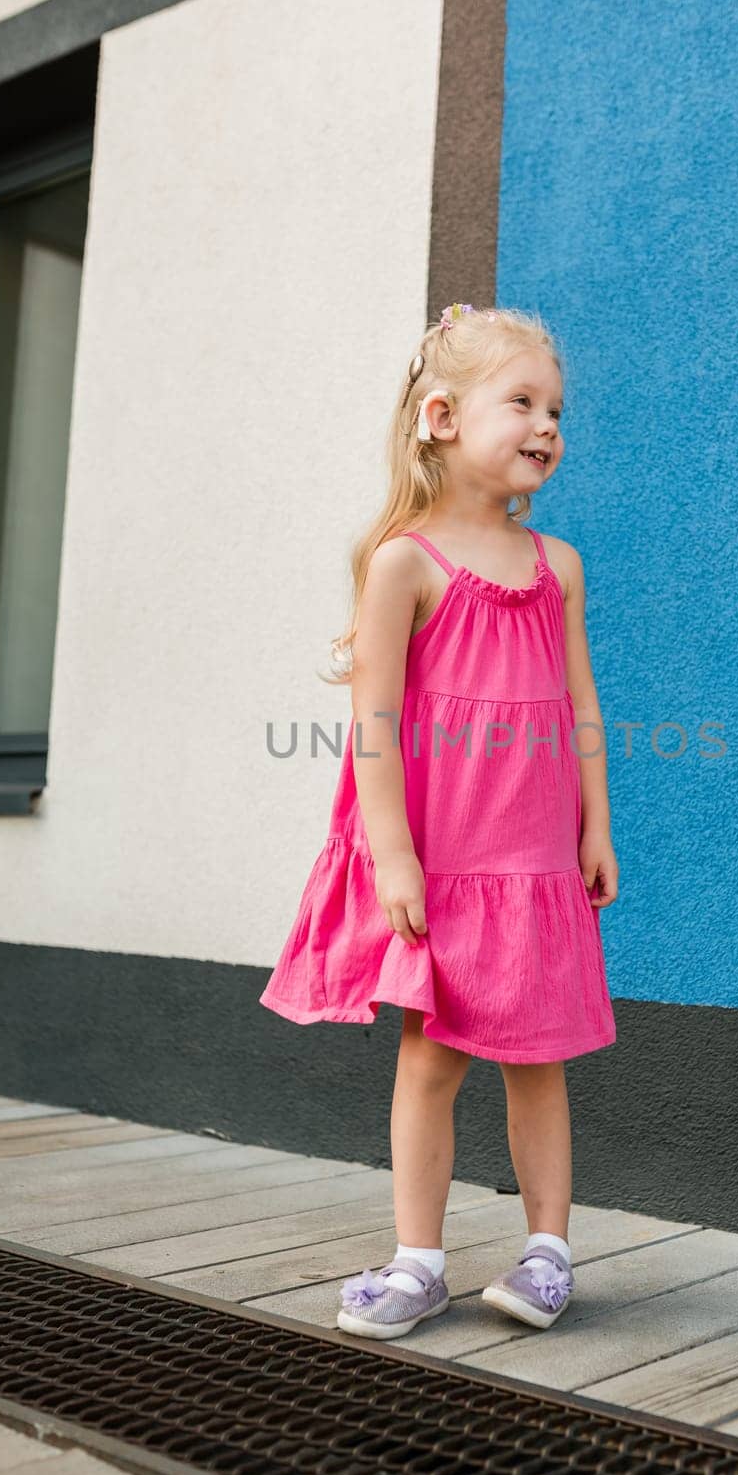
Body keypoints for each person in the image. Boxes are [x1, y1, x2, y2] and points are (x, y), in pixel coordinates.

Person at [259, 301, 618, 1341]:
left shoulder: (557, 566)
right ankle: (419, 1261)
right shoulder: (403, 564)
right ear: (445, 415)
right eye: (525, 402)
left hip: (534, 855)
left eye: (557, 408)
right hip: (445, 856)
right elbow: (372, 723)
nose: (548, 424)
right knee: (431, 1055)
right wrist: (394, 857)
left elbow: (580, 702)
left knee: (537, 1053)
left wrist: (598, 828)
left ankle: (548, 1250)